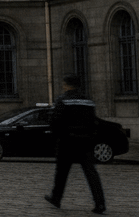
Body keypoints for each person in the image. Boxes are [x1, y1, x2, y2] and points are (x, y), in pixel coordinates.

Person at [45, 73, 106, 214]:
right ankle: (100, 203)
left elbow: (55, 121)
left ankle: (56, 198)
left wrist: (57, 137)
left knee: (61, 172)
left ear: (67, 85)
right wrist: (91, 137)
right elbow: (93, 121)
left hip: (67, 141)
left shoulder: (62, 100)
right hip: (85, 141)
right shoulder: (88, 101)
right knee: (91, 173)